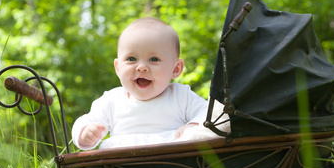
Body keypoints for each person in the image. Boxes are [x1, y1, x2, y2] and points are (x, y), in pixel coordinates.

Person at [72, 17, 228, 150]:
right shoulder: (112, 100)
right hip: (121, 166)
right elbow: (88, 120)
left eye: (154, 59)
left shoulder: (180, 96)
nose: (141, 67)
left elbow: (211, 113)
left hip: (172, 163)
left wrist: (193, 126)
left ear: (176, 69)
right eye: (131, 59)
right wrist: (85, 133)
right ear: (118, 67)